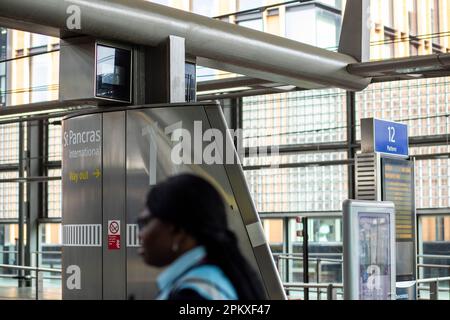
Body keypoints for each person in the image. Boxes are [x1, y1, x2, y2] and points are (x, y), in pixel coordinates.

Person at [137, 173, 267, 300]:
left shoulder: (192, 293)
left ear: (178, 231)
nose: (139, 235)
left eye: (145, 223)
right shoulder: (216, 279)